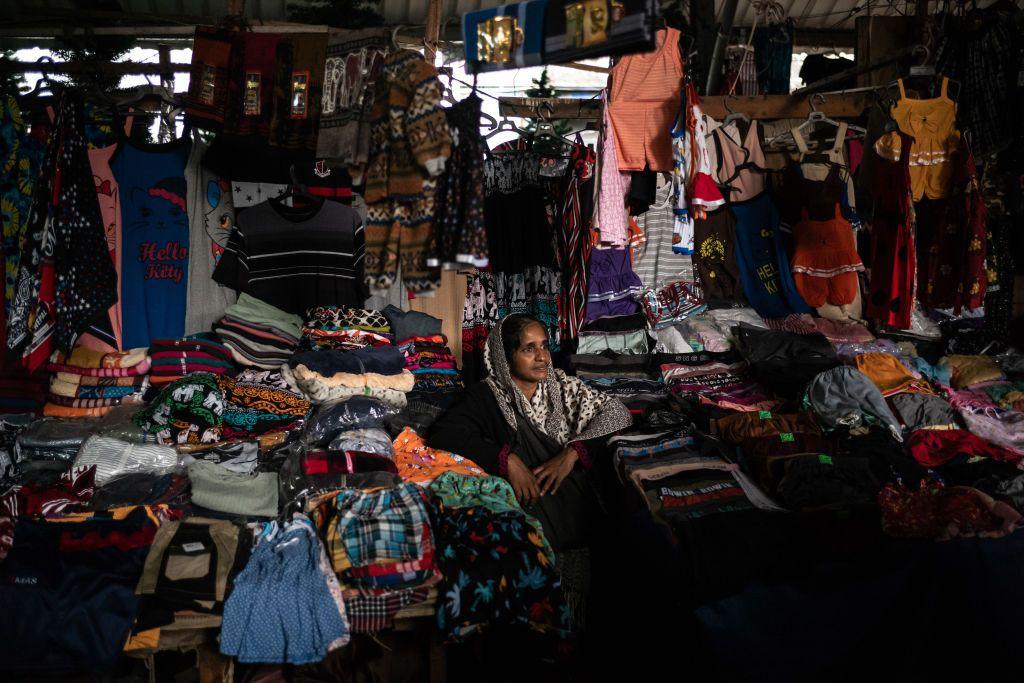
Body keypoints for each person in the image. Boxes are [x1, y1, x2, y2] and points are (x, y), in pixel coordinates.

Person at [429, 313, 631, 625]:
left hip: (575, 513)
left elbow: (617, 413)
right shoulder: (486, 397)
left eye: (544, 346)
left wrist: (571, 453)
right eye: (528, 349)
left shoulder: (563, 388)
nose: (542, 357)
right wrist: (506, 459)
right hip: (530, 518)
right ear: (504, 355)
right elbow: (444, 433)